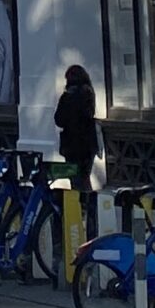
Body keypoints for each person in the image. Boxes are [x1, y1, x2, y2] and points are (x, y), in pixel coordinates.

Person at [53, 63, 100, 239]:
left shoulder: (68, 97)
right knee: (84, 176)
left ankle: (79, 208)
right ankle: (88, 205)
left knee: (75, 178)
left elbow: (59, 119)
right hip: (87, 144)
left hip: (72, 145)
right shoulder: (89, 93)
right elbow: (88, 115)